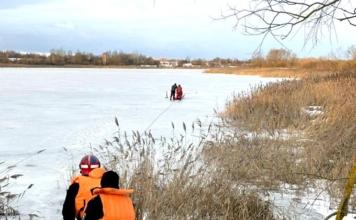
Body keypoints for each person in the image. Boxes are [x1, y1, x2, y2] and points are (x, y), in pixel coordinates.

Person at [62, 155, 105, 220]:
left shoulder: (76, 185)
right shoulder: (108, 181)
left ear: (81, 168)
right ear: (98, 167)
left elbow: (67, 211)